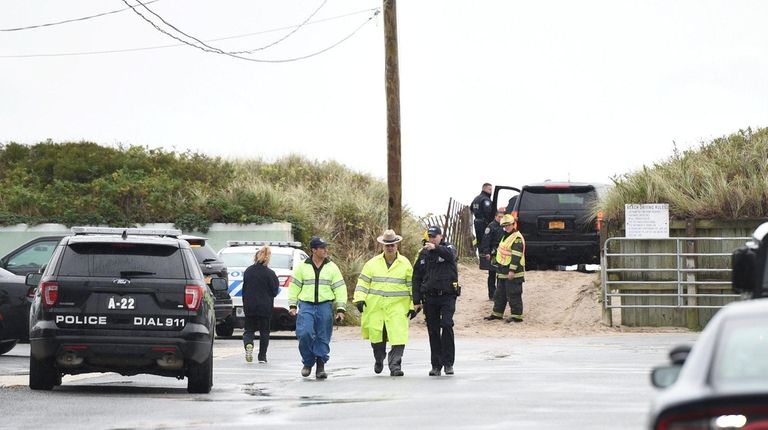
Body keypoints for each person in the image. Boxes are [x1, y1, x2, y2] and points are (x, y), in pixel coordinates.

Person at [354, 229, 414, 377]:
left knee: (398, 337)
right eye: (387, 245)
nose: (390, 247)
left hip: (398, 308)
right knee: (377, 339)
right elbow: (363, 283)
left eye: (392, 244)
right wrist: (360, 299)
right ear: (382, 246)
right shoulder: (372, 264)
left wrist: (413, 305)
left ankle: (395, 366)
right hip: (376, 308)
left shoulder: (405, 264)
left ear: (397, 245)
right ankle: (379, 358)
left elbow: (412, 285)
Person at [288, 236, 347, 379]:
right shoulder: (302, 266)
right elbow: (294, 286)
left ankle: (320, 364)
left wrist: (340, 309)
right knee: (304, 333)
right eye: (322, 248)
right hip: (306, 305)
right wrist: (292, 305)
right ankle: (308, 362)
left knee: (323, 336)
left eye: (326, 247)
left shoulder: (332, 267)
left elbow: (340, 288)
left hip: (324, 306)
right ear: (313, 250)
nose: (326, 250)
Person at [412, 226, 459, 376]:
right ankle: (436, 365)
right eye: (429, 237)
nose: (431, 239)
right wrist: (416, 299)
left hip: (447, 295)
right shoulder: (424, 254)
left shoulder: (448, 248)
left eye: (434, 236)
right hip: (430, 297)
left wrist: (436, 247)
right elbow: (416, 277)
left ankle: (448, 363)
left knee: (446, 325)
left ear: (441, 236)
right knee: (433, 330)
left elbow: (450, 255)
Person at [484, 214, 526, 323]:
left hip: (513, 272)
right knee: (499, 294)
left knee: (514, 294)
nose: (506, 227)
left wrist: (512, 270)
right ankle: (497, 314)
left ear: (513, 225)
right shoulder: (505, 236)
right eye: (505, 225)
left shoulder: (516, 238)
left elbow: (516, 255)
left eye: (508, 225)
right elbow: (502, 251)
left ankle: (516, 316)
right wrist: (494, 260)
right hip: (502, 271)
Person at [241, 245, 280, 363]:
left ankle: (248, 344)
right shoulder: (270, 274)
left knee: (249, 330)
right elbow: (274, 291)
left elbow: (244, 288)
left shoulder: (248, 271)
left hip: (250, 305)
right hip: (265, 306)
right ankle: (262, 356)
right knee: (264, 332)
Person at [478, 207, 506, 300]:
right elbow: (486, 240)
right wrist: (487, 252)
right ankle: (492, 294)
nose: (500, 218)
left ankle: (499, 293)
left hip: (502, 253)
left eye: (502, 217)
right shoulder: (491, 226)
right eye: (499, 217)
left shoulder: (505, 226)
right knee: (492, 274)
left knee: (501, 274)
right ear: (495, 216)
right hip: (493, 253)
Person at [471, 183, 495, 250]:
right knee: (486, 241)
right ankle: (485, 257)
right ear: (484, 189)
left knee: (480, 241)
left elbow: (471, 208)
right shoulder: (486, 199)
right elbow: (488, 212)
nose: (491, 191)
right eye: (489, 189)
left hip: (477, 222)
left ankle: (481, 256)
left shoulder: (476, 198)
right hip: (484, 223)